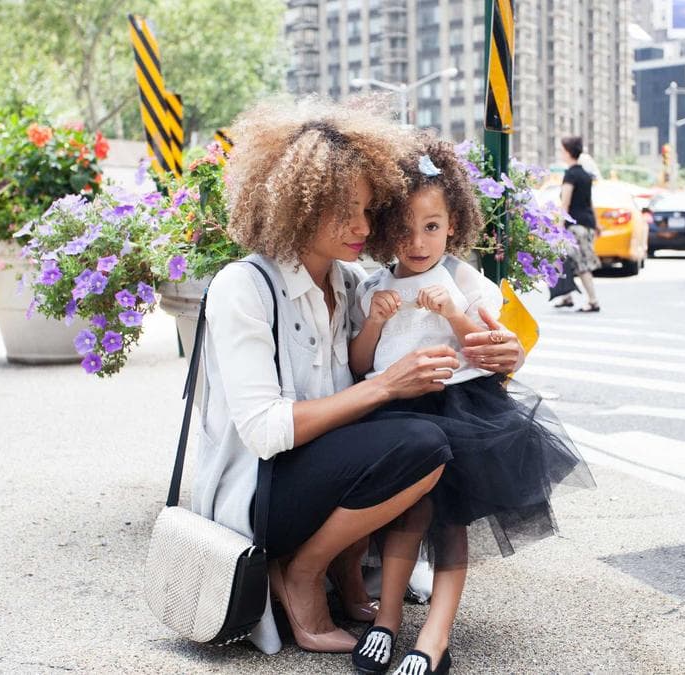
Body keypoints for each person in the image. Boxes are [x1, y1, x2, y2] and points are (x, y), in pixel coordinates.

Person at [192, 98, 528, 656]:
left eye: (371, 211)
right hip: (260, 494)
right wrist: (388, 384)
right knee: (420, 441)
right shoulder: (243, 287)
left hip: (322, 478)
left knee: (422, 437)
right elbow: (265, 432)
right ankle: (302, 571)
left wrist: (507, 352)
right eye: (344, 211)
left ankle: (349, 577)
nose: (362, 227)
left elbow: (447, 335)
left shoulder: (352, 284)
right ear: (297, 207)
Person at [348, 137, 594, 675]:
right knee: (404, 516)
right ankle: (386, 620)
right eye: (406, 229)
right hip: (398, 410)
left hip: (462, 411)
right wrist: (375, 322)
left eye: (431, 227)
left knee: (450, 522)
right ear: (387, 229)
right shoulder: (373, 286)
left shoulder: (465, 280)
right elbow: (360, 361)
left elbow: (492, 356)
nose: (418, 242)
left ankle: (435, 636)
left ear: (453, 224)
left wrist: (456, 314)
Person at [559, 136, 602, 312]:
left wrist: (560, 226)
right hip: (588, 224)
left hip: (575, 226)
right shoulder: (585, 174)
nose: (561, 153)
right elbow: (589, 202)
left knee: (581, 263)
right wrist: (597, 224)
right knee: (564, 259)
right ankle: (566, 296)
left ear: (568, 152)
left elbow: (565, 203)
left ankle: (593, 301)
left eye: (562, 150)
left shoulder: (571, 174)